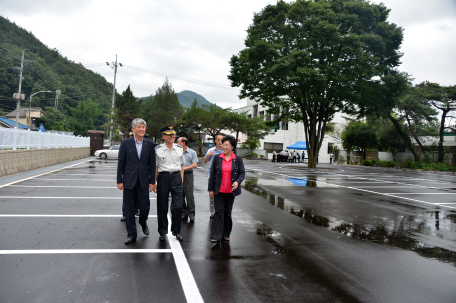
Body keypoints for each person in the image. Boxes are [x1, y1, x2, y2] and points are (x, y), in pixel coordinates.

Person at [117, 118, 155, 245]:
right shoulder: (125, 143)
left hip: (144, 181)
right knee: (129, 209)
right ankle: (131, 234)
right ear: (133, 129)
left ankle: (143, 222)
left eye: (143, 127)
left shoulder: (149, 144)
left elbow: (152, 164)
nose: (142, 129)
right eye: (139, 127)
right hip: (129, 180)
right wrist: (119, 180)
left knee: (145, 207)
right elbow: (121, 163)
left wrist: (152, 181)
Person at [208, 135, 245, 244]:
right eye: (223, 144)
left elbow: (242, 173)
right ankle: (216, 235)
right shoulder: (217, 158)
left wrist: (237, 181)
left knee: (227, 212)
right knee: (218, 212)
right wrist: (211, 190)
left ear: (232, 146)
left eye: (226, 145)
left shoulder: (237, 159)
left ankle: (226, 234)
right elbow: (212, 175)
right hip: (219, 190)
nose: (224, 146)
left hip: (231, 191)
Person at [154, 126, 186, 242]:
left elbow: (182, 164)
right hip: (163, 177)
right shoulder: (158, 149)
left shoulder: (179, 148)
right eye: (169, 135)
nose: (172, 136)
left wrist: (181, 178)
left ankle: (176, 231)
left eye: (173, 134)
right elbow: (155, 167)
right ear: (163, 136)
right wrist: (154, 182)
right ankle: (162, 232)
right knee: (162, 205)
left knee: (177, 206)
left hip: (176, 177)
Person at [177, 137, 198, 223]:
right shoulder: (177, 152)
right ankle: (184, 213)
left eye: (178, 141)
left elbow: (195, 165)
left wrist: (184, 169)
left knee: (189, 195)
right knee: (180, 195)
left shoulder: (192, 152)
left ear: (183, 143)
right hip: (177, 175)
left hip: (188, 175)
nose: (176, 143)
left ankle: (191, 214)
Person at [203, 134, 223, 219]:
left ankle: (220, 211)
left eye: (221, 140)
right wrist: (208, 155)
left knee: (221, 195)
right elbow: (204, 161)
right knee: (212, 195)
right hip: (212, 176)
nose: (219, 142)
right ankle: (213, 212)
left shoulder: (225, 151)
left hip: (223, 177)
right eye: (218, 140)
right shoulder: (211, 150)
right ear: (215, 141)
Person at [121, 130, 140, 222]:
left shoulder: (141, 145)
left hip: (139, 177)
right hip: (129, 177)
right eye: (131, 135)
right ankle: (125, 214)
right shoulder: (126, 145)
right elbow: (122, 162)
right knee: (126, 198)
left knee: (137, 196)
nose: (132, 137)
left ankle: (136, 211)